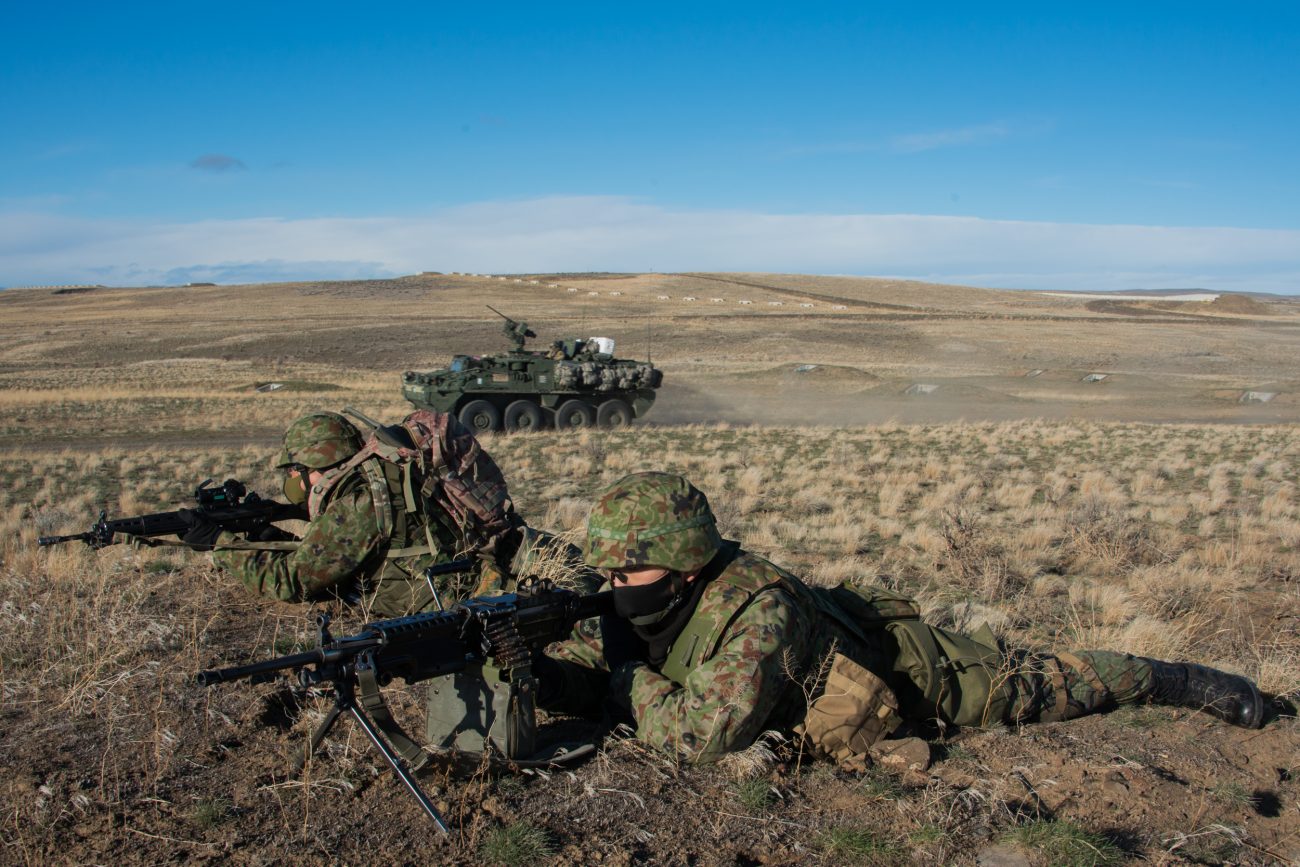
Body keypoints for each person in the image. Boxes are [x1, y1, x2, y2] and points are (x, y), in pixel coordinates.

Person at [535, 472, 1266, 765]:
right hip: (827, 666)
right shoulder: (652, 596)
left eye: (626, 573)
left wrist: (624, 676)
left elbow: (703, 734)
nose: (615, 588)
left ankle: (1172, 678)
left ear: (686, 565)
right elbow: (600, 666)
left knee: (1038, 684)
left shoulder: (757, 610)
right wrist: (540, 675)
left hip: (914, 673)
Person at [178, 410, 593, 618]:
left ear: (313, 464)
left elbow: (294, 581)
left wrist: (219, 545)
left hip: (447, 606)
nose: (291, 481)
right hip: (473, 573)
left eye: (293, 472)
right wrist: (270, 536)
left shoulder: (359, 500)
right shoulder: (388, 468)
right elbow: (331, 553)